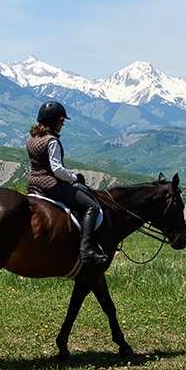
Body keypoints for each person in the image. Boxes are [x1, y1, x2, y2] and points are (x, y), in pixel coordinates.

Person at [26, 101, 109, 265]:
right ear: (54, 121)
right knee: (92, 206)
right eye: (61, 121)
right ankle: (87, 250)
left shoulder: (32, 139)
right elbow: (56, 169)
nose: (62, 125)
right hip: (51, 186)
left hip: (34, 184)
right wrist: (74, 178)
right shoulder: (52, 141)